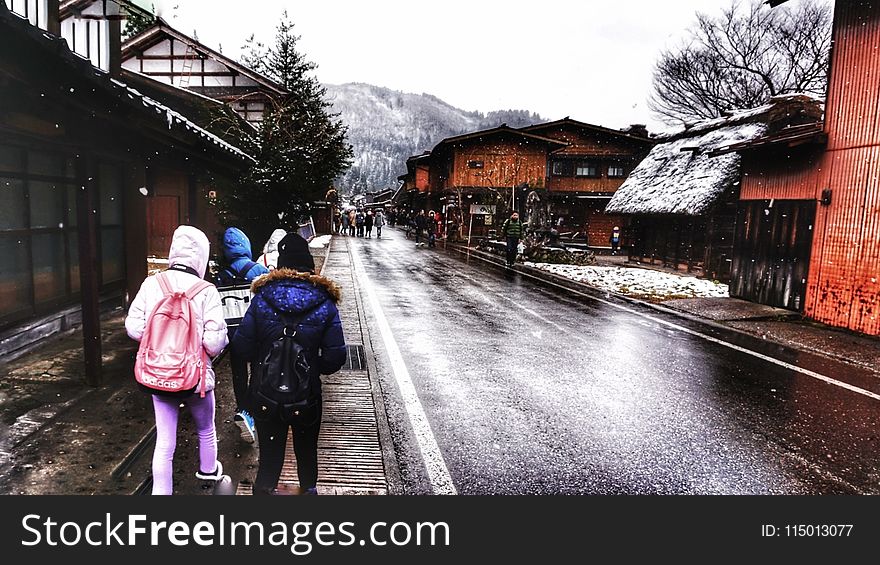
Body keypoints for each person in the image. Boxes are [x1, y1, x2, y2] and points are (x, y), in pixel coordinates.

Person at [231, 233, 346, 495]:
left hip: (265, 396)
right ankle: (308, 495)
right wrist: (310, 366)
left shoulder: (262, 297)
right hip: (306, 399)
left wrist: (265, 358)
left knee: (269, 462)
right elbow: (334, 357)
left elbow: (242, 347)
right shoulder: (325, 302)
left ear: (281, 265)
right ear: (310, 266)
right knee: (306, 456)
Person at [125, 225, 228, 495]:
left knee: (164, 441)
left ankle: (162, 494)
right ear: (202, 257)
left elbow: (134, 328)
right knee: (206, 428)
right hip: (195, 377)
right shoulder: (207, 291)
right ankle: (208, 474)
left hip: (158, 374)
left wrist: (161, 343)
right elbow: (213, 343)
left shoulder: (152, 284)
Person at [217, 227, 270, 444]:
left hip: (232, 334)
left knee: (238, 374)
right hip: (256, 333)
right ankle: (251, 411)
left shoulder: (221, 275)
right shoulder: (259, 270)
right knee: (258, 371)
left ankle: (243, 409)